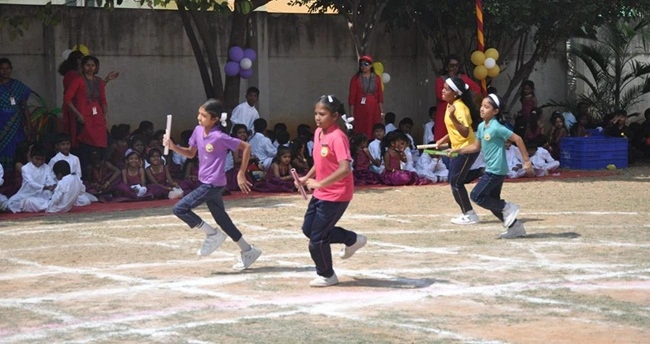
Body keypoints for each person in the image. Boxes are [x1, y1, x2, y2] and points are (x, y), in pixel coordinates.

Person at [164, 99, 262, 270]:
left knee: (179, 209)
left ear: (215, 119)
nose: (199, 118)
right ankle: (248, 250)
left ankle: (212, 233)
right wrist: (173, 147)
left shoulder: (220, 137)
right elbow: (190, 153)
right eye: (199, 113)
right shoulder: (197, 130)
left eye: (204, 115)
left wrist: (241, 172)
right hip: (206, 181)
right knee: (223, 220)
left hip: (213, 183)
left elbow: (246, 147)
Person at [295, 94, 367, 287]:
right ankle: (352, 239)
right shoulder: (319, 133)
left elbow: (344, 168)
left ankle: (327, 274)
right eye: (316, 113)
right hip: (322, 192)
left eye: (322, 114)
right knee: (308, 229)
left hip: (337, 194)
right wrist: (305, 177)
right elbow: (320, 162)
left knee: (316, 240)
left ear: (335, 116)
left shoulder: (338, 137)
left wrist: (319, 183)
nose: (317, 117)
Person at [450, 94, 532, 238]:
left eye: (486, 107)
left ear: (495, 111)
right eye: (482, 106)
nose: (482, 109)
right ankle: (515, 228)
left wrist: (526, 161)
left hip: (496, 170)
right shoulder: (482, 126)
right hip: (491, 169)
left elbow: (517, 139)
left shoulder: (497, 127)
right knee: (492, 202)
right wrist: (458, 150)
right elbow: (476, 147)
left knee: (476, 196)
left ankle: (508, 207)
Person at [435, 76, 483, 225]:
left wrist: (452, 117)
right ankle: (479, 173)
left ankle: (469, 214)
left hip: (466, 149)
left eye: (446, 89)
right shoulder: (452, 105)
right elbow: (454, 131)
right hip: (458, 149)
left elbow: (464, 132)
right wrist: (443, 140)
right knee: (455, 180)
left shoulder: (459, 108)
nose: (442, 91)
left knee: (455, 182)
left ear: (455, 93)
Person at [63, 55, 109, 170]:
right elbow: (67, 99)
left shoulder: (99, 81)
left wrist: (105, 113)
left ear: (96, 67)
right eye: (87, 65)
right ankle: (85, 175)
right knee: (85, 146)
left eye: (92, 65)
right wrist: (78, 114)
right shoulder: (78, 80)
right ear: (83, 67)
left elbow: (103, 99)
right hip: (84, 117)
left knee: (101, 145)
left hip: (97, 117)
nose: (90, 68)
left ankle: (98, 174)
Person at [434, 54, 481, 141]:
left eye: (456, 66)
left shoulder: (462, 78)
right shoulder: (441, 79)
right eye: (451, 66)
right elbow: (440, 96)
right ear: (446, 67)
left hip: (458, 109)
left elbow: (477, 89)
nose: (454, 68)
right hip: (444, 110)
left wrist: (464, 95)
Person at [3, 145, 57, 213]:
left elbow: (50, 179)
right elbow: (30, 182)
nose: (39, 162)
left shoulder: (47, 168)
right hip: (26, 194)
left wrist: (52, 186)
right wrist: (44, 187)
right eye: (37, 159)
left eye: (42, 159)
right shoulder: (25, 168)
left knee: (48, 193)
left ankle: (38, 206)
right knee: (12, 203)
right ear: (31, 158)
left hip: (42, 194)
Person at [0, 58, 32, 170]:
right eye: (2, 69)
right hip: (1, 126)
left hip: (16, 127)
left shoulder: (18, 86)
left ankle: (15, 179)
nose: (5, 71)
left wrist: (29, 124)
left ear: (11, 69)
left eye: (7, 68)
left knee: (16, 150)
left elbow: (24, 106)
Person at [348, 55, 384, 139]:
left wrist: (382, 112)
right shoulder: (355, 78)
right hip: (360, 108)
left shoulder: (376, 78)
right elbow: (351, 98)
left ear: (371, 65)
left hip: (374, 107)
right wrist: (351, 114)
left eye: (366, 64)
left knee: (374, 127)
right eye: (361, 64)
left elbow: (380, 96)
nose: (363, 66)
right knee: (361, 127)